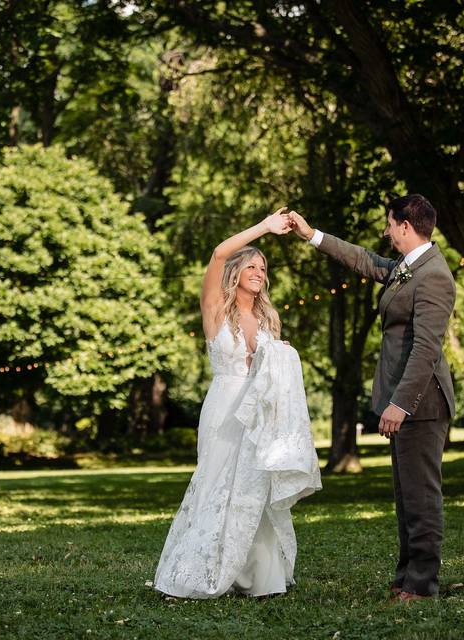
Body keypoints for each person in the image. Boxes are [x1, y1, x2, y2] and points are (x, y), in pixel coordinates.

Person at [285, 195, 456, 601]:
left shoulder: (434, 275)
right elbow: (366, 260)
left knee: (422, 497)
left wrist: (400, 404)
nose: (385, 231)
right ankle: (405, 577)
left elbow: (426, 349)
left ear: (404, 225)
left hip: (422, 403)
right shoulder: (407, 267)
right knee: (405, 497)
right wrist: (312, 235)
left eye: (389, 224)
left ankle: (422, 584)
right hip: (407, 401)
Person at [153, 208, 322, 599]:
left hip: (257, 413)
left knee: (253, 489)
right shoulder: (215, 310)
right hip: (224, 409)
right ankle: (202, 572)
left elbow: (273, 374)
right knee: (215, 486)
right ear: (237, 273)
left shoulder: (267, 320)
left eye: (264, 268)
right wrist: (265, 227)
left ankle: (256, 578)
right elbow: (217, 253)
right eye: (253, 265)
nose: (260, 272)